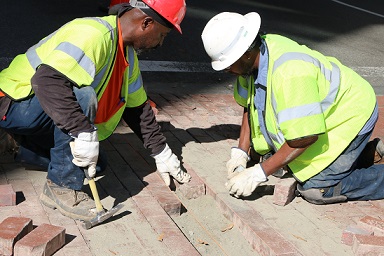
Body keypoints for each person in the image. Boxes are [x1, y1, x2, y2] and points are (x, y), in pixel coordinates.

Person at [0, 0, 191, 221]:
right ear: (147, 23)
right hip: (11, 101)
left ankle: (16, 143)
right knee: (83, 96)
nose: (160, 43)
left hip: (35, 109)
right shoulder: (94, 35)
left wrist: (161, 152)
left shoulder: (126, 55)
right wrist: (83, 132)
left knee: (95, 163)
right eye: (162, 35)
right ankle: (61, 188)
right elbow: (46, 81)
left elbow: (137, 109)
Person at [201, 11, 384, 204]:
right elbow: (249, 107)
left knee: (317, 189)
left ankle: (361, 158)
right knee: (271, 157)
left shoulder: (290, 73)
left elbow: (305, 138)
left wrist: (257, 174)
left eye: (228, 64)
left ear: (245, 54)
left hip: (351, 114)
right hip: (318, 121)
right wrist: (241, 153)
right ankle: (367, 153)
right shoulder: (255, 58)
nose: (226, 70)